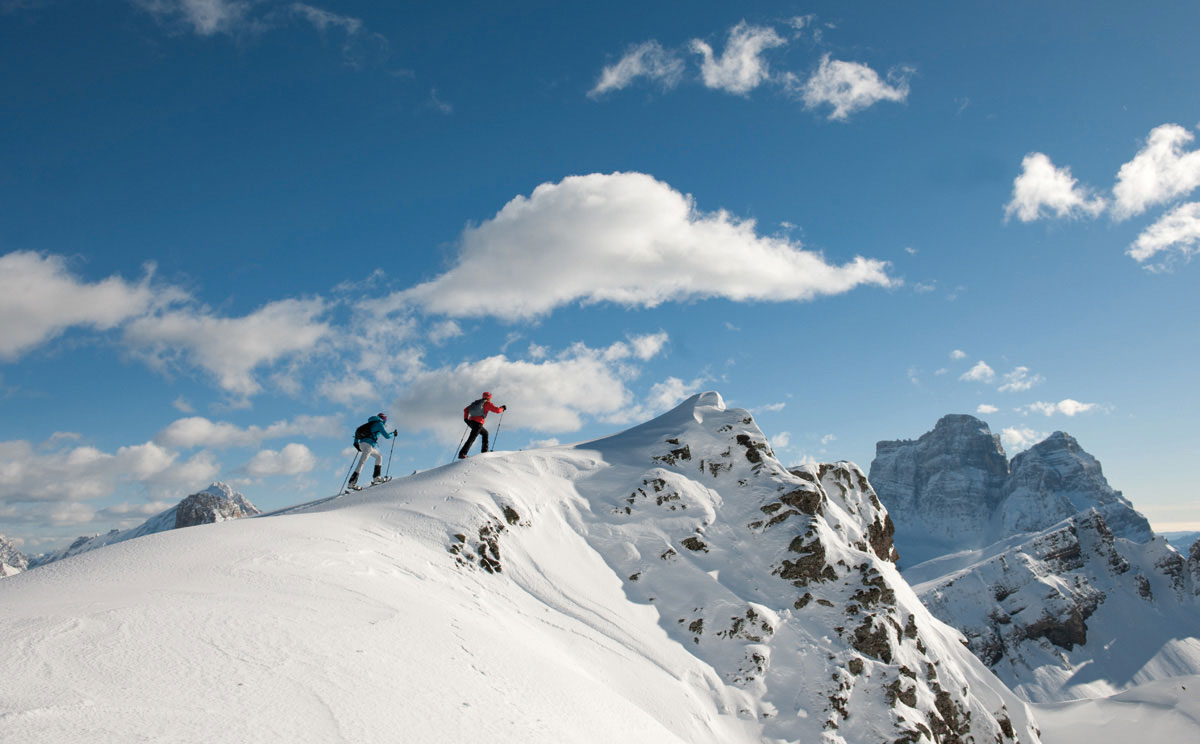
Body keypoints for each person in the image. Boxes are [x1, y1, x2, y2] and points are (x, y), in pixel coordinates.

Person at [349, 412, 397, 490]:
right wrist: (393, 433)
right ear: (383, 419)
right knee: (362, 463)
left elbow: (358, 431)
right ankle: (351, 483)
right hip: (368, 446)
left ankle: (376, 477)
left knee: (379, 456)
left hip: (362, 444)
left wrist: (356, 443)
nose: (385, 421)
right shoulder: (379, 424)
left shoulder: (370, 423)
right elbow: (387, 436)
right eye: (385, 419)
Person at [458, 392, 506, 459]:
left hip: (471, 422)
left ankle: (484, 451)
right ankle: (462, 453)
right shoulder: (487, 404)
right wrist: (502, 408)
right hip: (478, 423)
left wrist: (466, 419)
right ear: (489, 397)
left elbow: (466, 410)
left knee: (485, 433)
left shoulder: (477, 402)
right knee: (472, 438)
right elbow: (497, 410)